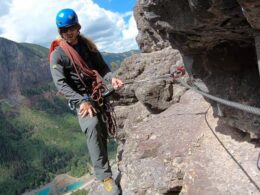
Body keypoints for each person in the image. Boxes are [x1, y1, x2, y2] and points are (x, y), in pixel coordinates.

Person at [49, 8, 123, 195]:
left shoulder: (88, 46)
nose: (69, 32)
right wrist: (81, 100)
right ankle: (105, 177)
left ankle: (106, 168)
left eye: (72, 28)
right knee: (92, 126)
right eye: (65, 30)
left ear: (78, 27)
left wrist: (111, 78)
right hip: (80, 99)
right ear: (61, 32)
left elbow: (102, 67)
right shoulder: (58, 55)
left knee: (103, 132)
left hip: (97, 93)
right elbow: (61, 84)